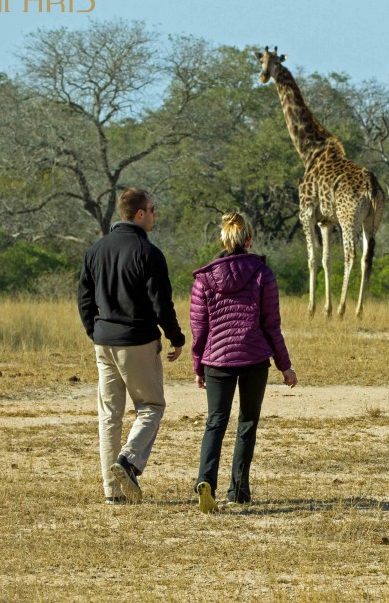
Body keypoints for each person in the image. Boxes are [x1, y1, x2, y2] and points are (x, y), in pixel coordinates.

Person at [77, 188, 185, 505]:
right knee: (152, 407)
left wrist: (95, 331)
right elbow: (161, 304)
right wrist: (176, 338)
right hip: (136, 341)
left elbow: (84, 299)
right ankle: (129, 460)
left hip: (104, 341)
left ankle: (113, 492)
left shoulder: (96, 250)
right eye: (153, 209)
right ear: (139, 214)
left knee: (110, 415)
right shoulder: (148, 253)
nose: (155, 214)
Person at [190, 212, 297, 514]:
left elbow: (199, 329)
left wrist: (198, 367)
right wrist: (284, 366)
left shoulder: (204, 280)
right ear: (248, 239)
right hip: (254, 359)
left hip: (216, 361)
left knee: (215, 422)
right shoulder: (263, 274)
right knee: (246, 423)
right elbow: (271, 325)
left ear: (223, 240)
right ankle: (238, 491)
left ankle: (205, 480)